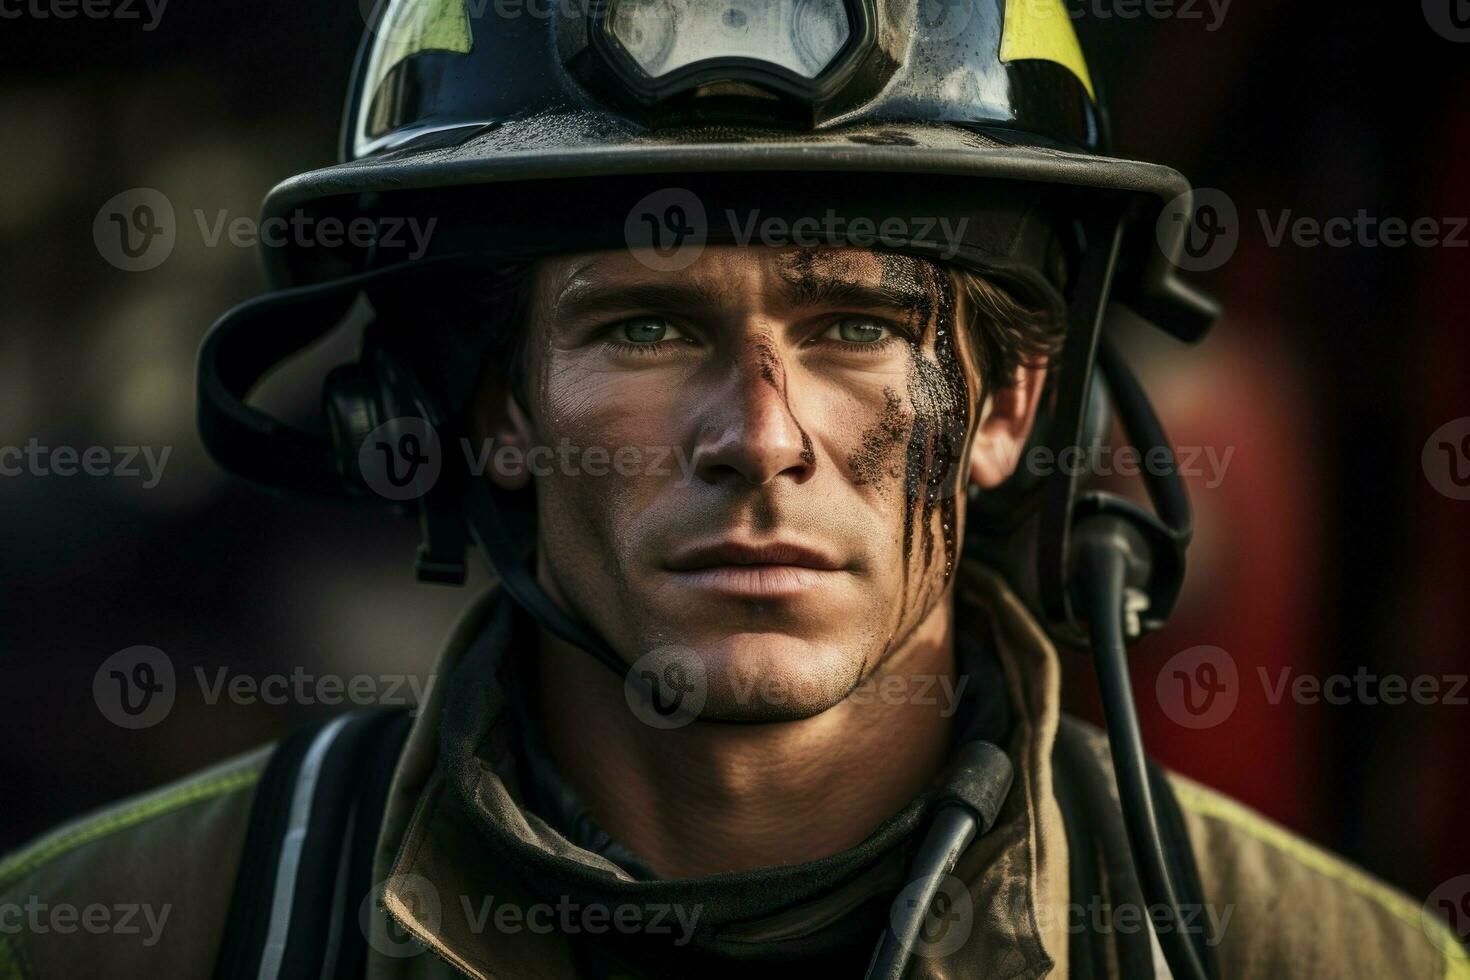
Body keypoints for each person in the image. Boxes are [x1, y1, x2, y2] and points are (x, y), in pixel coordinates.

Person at [3, 1, 1465, 977]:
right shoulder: (121, 939)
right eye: (642, 326)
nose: (756, 435)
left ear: (1011, 405)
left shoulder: (1324, 960)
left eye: (855, 326)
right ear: (494, 410)